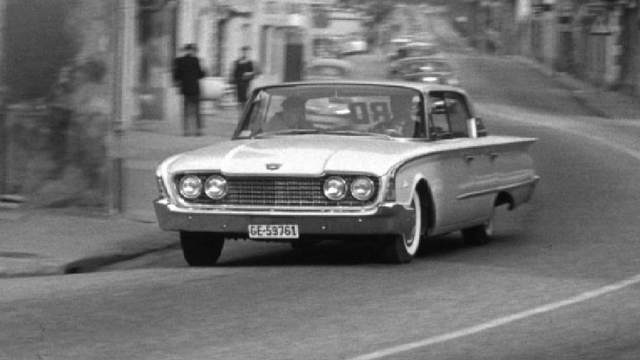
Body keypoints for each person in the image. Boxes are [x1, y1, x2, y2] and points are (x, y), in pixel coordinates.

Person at [173, 44, 205, 136]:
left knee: (186, 111)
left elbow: (176, 75)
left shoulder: (179, 61)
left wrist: (179, 83)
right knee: (197, 111)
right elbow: (201, 75)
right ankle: (198, 130)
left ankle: (186, 131)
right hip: (195, 88)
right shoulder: (196, 60)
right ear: (192, 51)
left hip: (185, 89)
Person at [232, 46, 255, 110]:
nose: (245, 53)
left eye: (246, 52)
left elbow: (252, 73)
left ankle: (245, 113)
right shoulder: (237, 62)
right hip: (239, 84)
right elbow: (235, 74)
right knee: (240, 101)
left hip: (247, 83)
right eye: (244, 52)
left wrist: (249, 74)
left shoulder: (249, 62)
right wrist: (240, 77)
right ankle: (241, 114)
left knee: (247, 100)